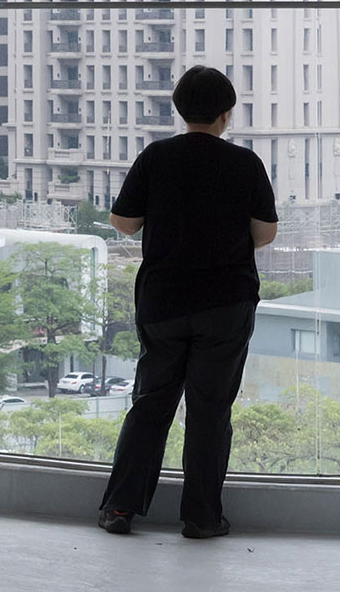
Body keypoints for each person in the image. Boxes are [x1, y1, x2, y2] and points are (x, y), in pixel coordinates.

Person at [96, 65, 277, 539]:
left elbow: (124, 222)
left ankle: (120, 508)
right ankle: (201, 517)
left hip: (163, 302)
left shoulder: (156, 157)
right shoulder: (245, 164)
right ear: (226, 114)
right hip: (226, 303)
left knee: (150, 404)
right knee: (210, 410)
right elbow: (265, 233)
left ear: (180, 111)